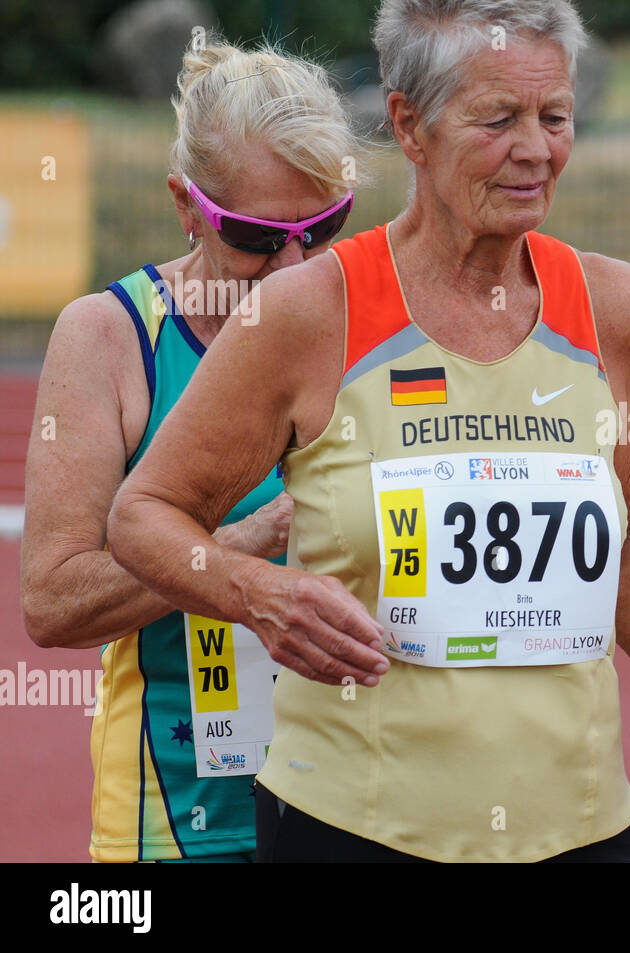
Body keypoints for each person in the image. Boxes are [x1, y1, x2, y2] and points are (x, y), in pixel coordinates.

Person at [106, 0, 630, 863]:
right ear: (408, 125)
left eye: (554, 117)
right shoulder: (306, 311)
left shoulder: (621, 309)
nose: (535, 149)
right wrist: (253, 594)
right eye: (498, 119)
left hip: (580, 829)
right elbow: (142, 514)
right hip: (354, 829)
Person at [19, 39, 365, 861]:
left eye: (322, 229)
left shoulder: (372, 321)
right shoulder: (107, 338)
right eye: (255, 236)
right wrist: (246, 545)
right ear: (186, 203)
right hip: (180, 819)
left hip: (361, 802)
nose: (291, 268)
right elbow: (54, 602)